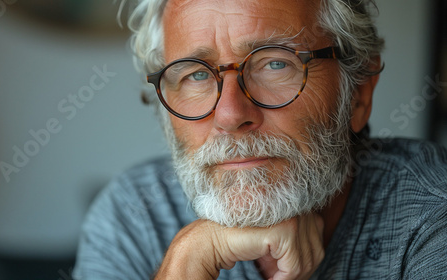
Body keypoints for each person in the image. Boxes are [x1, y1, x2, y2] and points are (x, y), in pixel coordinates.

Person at [73, 0, 447, 279]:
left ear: (358, 94)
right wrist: (188, 262)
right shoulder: (134, 214)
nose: (231, 115)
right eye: (196, 75)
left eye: (275, 63)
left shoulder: (432, 214)